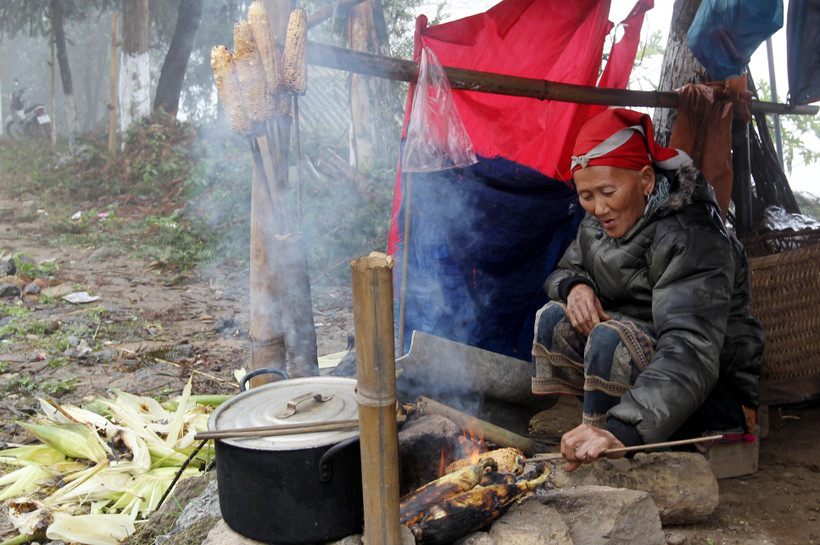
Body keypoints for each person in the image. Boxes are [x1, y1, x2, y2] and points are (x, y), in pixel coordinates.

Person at [532, 108, 764, 472]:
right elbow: (565, 270)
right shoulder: (598, 222)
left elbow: (690, 349)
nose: (599, 208)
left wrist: (623, 431)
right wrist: (575, 286)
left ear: (645, 180)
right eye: (586, 195)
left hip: (710, 388)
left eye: (608, 192)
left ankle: (614, 433)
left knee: (610, 340)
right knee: (554, 318)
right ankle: (598, 424)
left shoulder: (693, 236)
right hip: (645, 355)